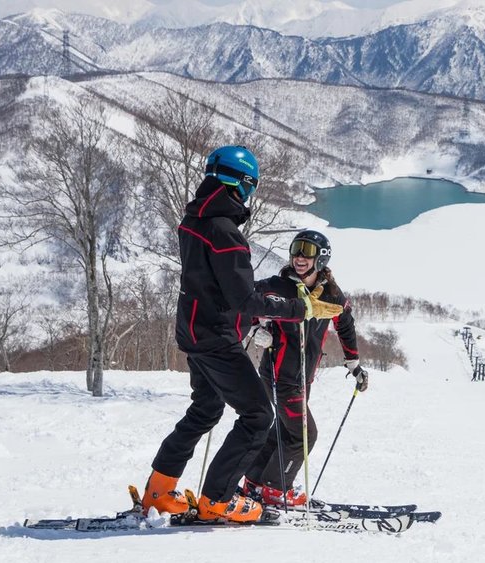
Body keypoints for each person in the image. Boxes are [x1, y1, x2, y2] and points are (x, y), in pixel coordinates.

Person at [141, 147, 343, 524]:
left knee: (205, 409)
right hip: (217, 338)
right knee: (257, 415)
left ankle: (159, 489)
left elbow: (214, 285)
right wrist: (300, 310)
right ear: (244, 185)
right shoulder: (226, 234)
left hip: (192, 330)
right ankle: (218, 499)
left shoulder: (193, 220)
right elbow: (246, 300)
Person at [243, 230, 366, 508]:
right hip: (279, 374)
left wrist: (353, 362)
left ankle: (255, 482)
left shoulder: (331, 294)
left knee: (285, 431)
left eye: (307, 251)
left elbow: (344, 323)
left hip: (303, 377)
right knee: (303, 434)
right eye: (296, 250)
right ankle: (275, 489)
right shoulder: (278, 286)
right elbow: (245, 298)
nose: (299, 256)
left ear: (321, 258)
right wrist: (255, 327)